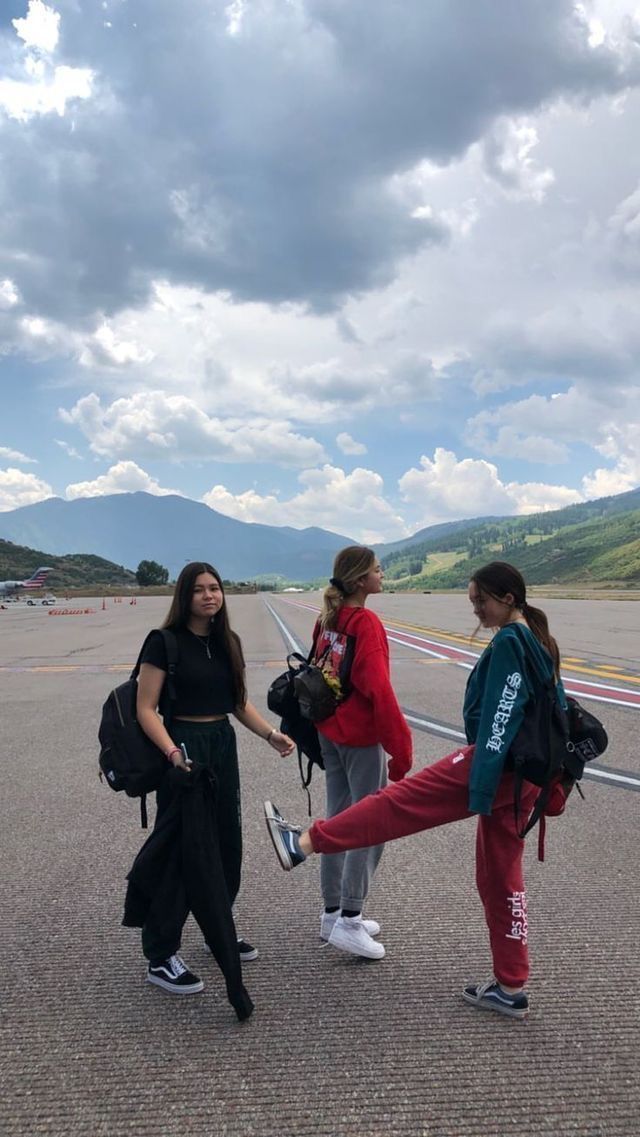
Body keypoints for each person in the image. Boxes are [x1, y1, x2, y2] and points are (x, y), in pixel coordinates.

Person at [265, 561, 568, 1019]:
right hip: (524, 776)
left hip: (495, 766)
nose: (477, 611)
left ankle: (303, 843)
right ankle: (510, 984)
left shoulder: (511, 640)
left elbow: (500, 717)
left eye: (481, 601)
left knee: (395, 805)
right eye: (472, 603)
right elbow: (556, 708)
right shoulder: (538, 640)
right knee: (501, 878)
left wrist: (479, 787)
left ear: (507, 598)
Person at [136, 561, 294, 995]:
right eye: (199, 590)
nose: (210, 596)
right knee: (182, 852)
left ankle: (216, 929)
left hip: (221, 744)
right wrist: (171, 752)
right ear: (184, 596)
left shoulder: (229, 642)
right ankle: (161, 955)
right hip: (183, 748)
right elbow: (145, 707)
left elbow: (238, 702)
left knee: (226, 842)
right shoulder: (163, 643)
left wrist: (271, 734)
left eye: (215, 588)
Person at [302, 545, 413, 961]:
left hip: (329, 731)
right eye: (377, 570)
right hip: (359, 737)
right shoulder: (365, 622)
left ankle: (332, 914)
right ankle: (350, 918)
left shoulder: (328, 619)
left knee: (338, 818)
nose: (382, 575)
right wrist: (400, 750)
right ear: (361, 580)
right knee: (368, 824)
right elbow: (378, 690)